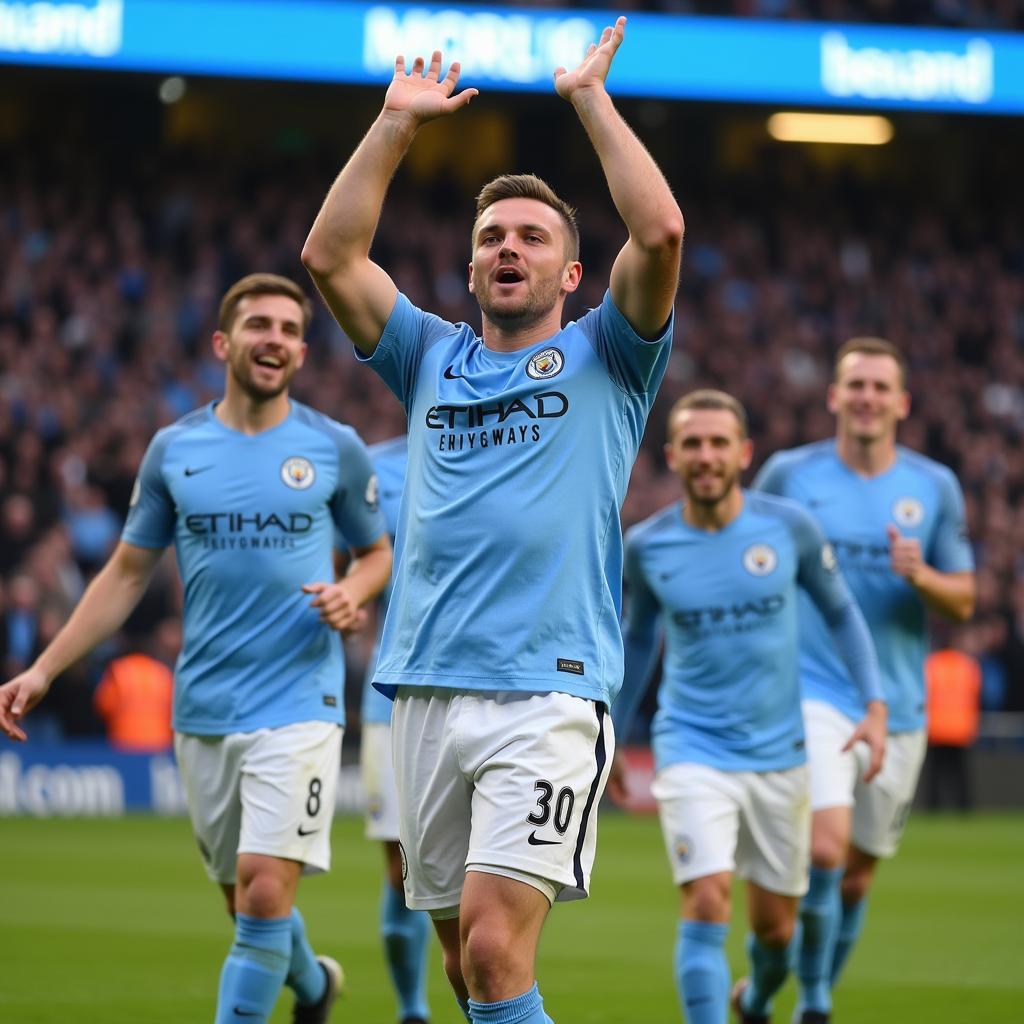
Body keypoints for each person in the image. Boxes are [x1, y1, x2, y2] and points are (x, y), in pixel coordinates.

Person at [302, 17, 683, 1024]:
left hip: (546, 693)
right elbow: (331, 256)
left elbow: (660, 234)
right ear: (470, 271)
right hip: (422, 685)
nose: (506, 247)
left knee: (492, 944)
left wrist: (590, 101)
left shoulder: (611, 354)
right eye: (490, 238)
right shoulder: (429, 355)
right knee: (464, 961)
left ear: (569, 277)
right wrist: (391, 125)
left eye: (531, 237)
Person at [0, 273, 392, 1024]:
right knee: (244, 901)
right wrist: (45, 667)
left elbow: (376, 553)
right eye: (258, 325)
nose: (273, 338)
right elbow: (126, 571)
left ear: (303, 351)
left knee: (266, 887)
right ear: (224, 342)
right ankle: (314, 988)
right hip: (204, 705)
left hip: (300, 702)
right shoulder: (174, 451)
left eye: (287, 328)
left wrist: (357, 591)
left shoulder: (333, 447)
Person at [609, 390, 885, 1024]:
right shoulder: (648, 547)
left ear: (744, 453)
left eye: (719, 443)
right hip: (691, 747)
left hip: (779, 756)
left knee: (777, 934)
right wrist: (614, 734)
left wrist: (872, 702)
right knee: (706, 902)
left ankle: (756, 999)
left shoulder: (788, 528)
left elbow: (841, 611)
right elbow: (641, 638)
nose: (707, 456)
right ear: (673, 457)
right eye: (694, 445)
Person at [754, 337, 975, 1023]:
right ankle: (813, 1003)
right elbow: (743, 547)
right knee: (823, 849)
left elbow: (964, 599)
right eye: (856, 385)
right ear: (834, 396)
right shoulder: (790, 474)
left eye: (881, 387)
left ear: (901, 402)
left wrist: (922, 576)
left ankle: (760, 996)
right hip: (812, 692)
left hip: (900, 706)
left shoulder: (932, 486)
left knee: (855, 875)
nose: (867, 398)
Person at [358, 435, 432, 1024]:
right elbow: (341, 561)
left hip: (500, 693)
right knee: (404, 869)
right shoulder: (373, 467)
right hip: (395, 695)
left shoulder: (520, 429)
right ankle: (413, 1011)